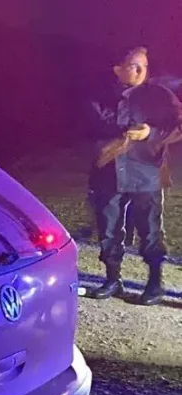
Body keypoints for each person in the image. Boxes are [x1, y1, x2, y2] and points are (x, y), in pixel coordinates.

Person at [86, 46, 182, 305]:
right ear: (118, 69)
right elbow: (90, 126)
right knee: (108, 229)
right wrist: (119, 133)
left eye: (144, 66)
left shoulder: (160, 95)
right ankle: (112, 279)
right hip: (108, 173)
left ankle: (155, 283)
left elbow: (178, 125)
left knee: (150, 231)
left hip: (146, 173)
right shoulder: (99, 95)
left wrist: (151, 133)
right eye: (134, 65)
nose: (141, 71)